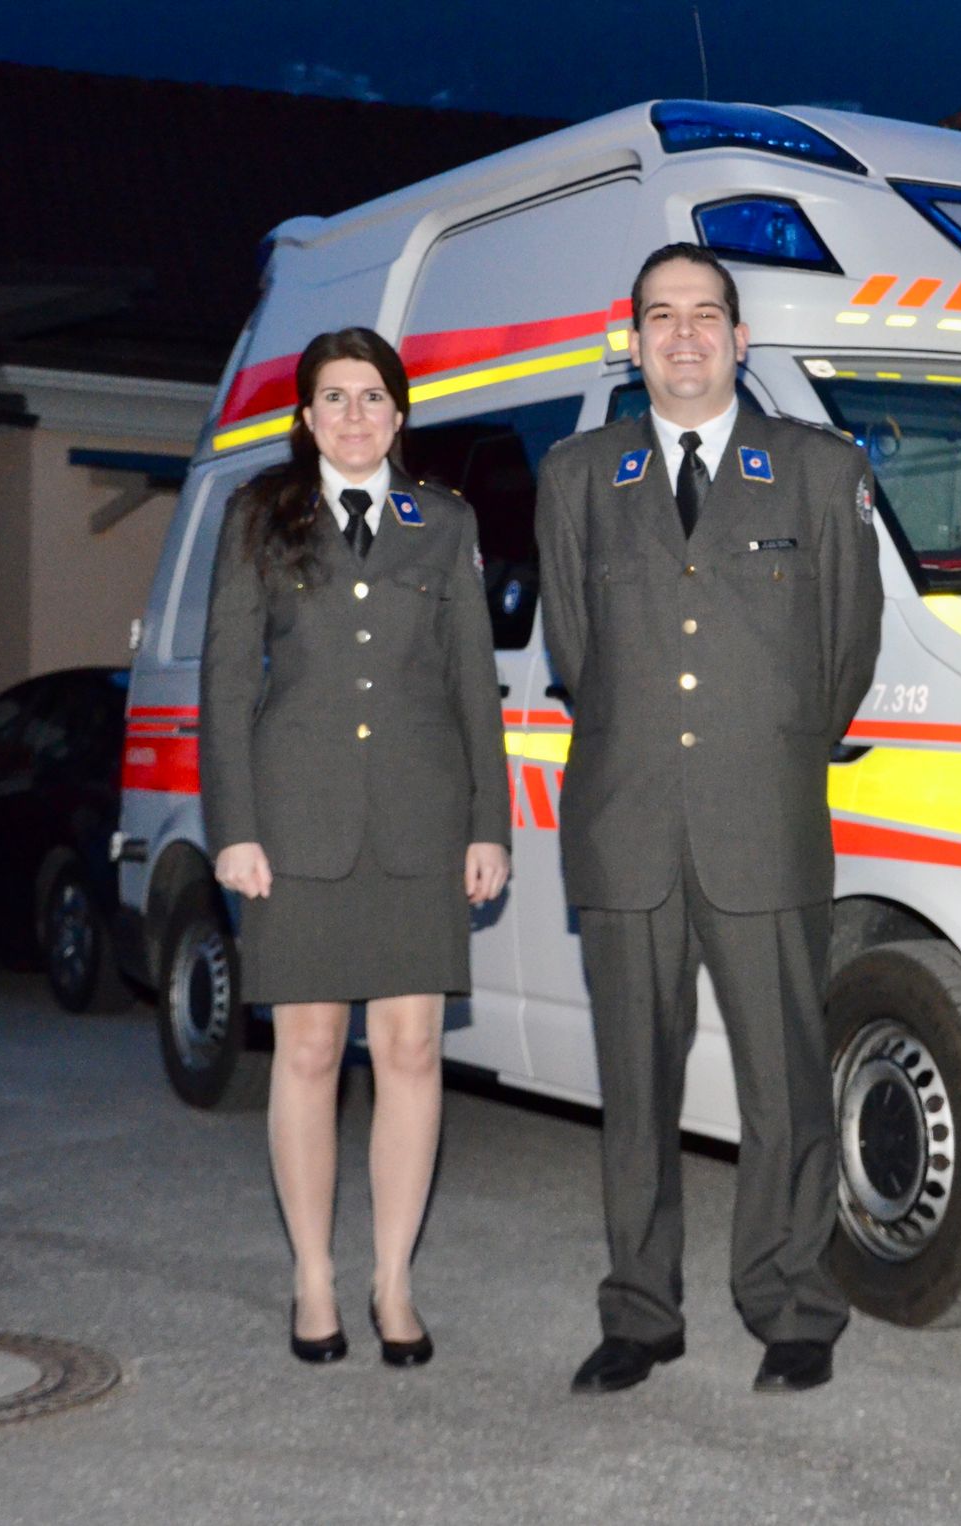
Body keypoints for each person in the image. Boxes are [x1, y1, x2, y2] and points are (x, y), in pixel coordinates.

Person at [536, 244, 884, 1397]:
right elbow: (578, 657)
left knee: (784, 1079)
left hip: (764, 820)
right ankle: (640, 1311)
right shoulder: (581, 476)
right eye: (659, 317)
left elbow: (845, 649)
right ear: (631, 343)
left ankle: (790, 1301)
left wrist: (768, 751)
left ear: (741, 339)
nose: (682, 336)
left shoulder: (819, 470)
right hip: (626, 824)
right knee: (633, 1087)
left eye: (705, 316)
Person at [199, 327, 511, 1368]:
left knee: (414, 1051)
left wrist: (488, 825)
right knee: (309, 1049)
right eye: (332, 398)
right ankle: (313, 1278)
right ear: (304, 417)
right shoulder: (259, 515)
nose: (353, 416)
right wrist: (234, 828)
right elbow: (228, 682)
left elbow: (476, 685)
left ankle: (393, 1280)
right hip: (297, 823)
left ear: (400, 413)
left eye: (372, 398)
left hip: (421, 824)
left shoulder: (445, 522)